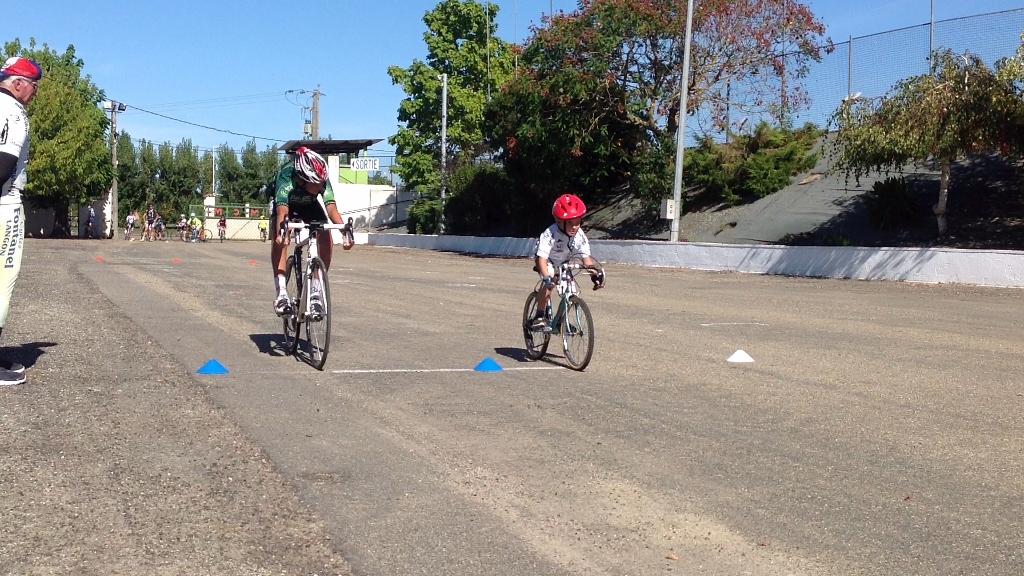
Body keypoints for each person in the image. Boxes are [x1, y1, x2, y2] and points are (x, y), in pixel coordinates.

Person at [0, 57, 43, 385]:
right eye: (33, 86)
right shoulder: (13, 114)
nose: (35, 93)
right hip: (5, 203)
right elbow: (4, 164)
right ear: (18, 83)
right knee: (3, 281)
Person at [271, 146, 345, 316]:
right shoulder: (286, 176)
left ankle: (317, 290)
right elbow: (282, 212)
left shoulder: (321, 178)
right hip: (287, 204)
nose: (320, 186)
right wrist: (283, 233)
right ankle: (281, 292)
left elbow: (332, 209)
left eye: (322, 182)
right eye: (316, 183)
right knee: (281, 236)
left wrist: (344, 230)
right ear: (302, 178)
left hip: (309, 205)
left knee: (325, 232)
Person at [530, 193, 605, 330]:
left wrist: (594, 275)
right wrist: (546, 276)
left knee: (571, 291)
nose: (575, 226)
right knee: (551, 281)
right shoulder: (550, 233)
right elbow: (542, 258)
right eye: (570, 222)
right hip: (546, 259)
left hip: (564, 261)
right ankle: (539, 316)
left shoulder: (579, 235)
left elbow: (586, 260)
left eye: (577, 222)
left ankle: (561, 319)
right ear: (559, 221)